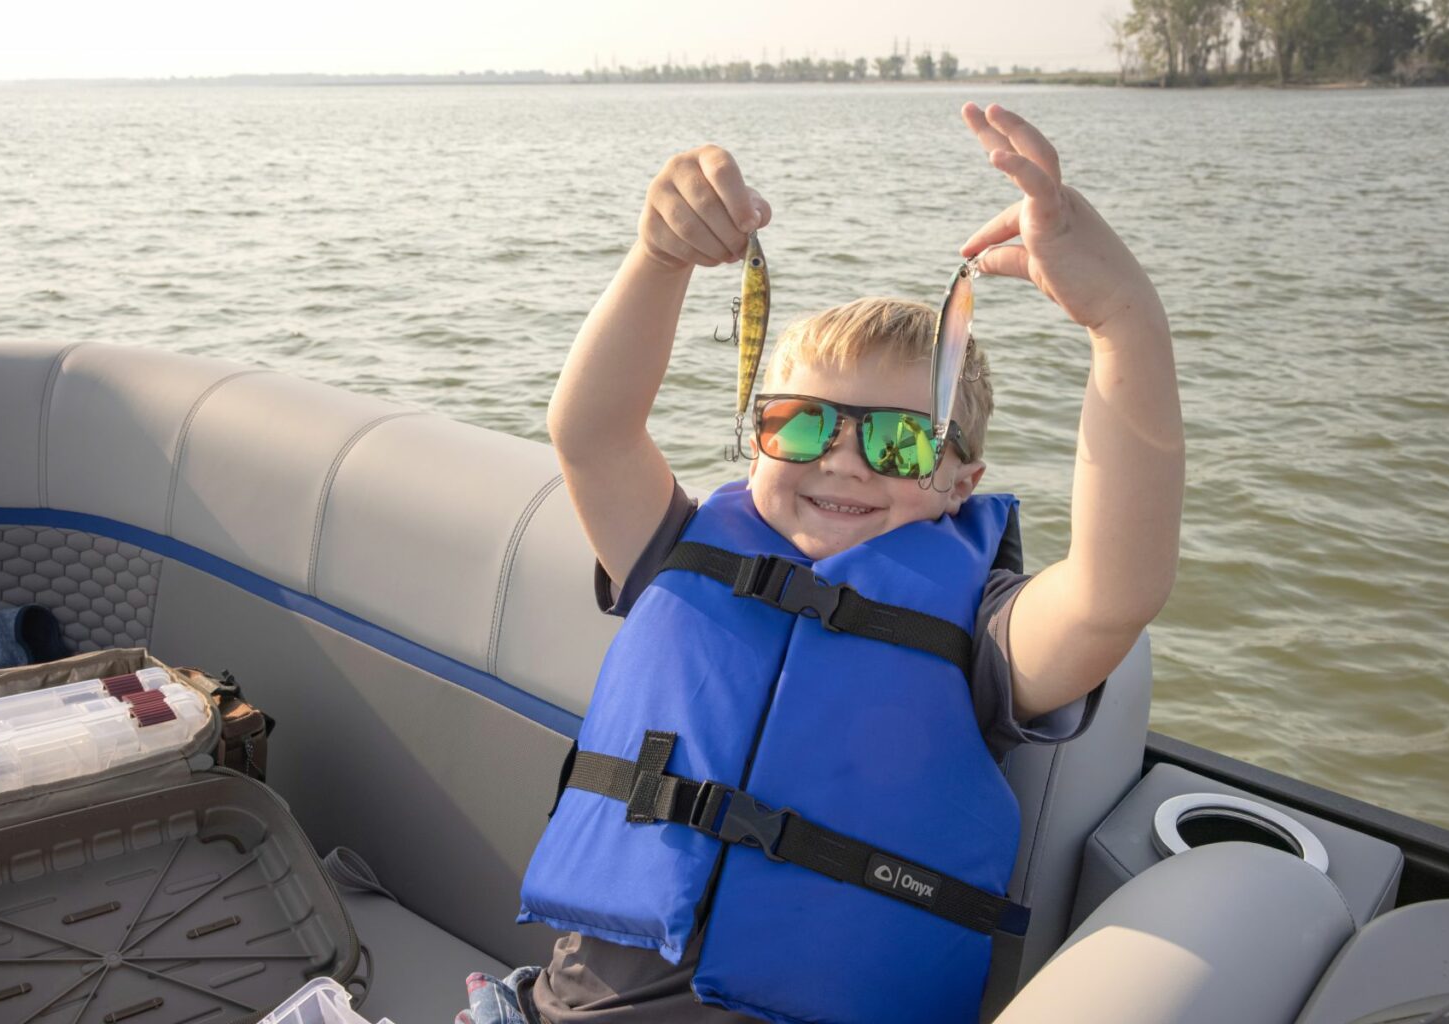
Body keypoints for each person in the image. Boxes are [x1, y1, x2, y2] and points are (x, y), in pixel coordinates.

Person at [459, 102, 1184, 1024]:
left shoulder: (989, 631)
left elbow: (1119, 591)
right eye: (799, 423)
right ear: (754, 437)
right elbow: (590, 432)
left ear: (962, 477)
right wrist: (661, 254)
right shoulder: (680, 547)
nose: (840, 459)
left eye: (898, 443)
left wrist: (1123, 322)